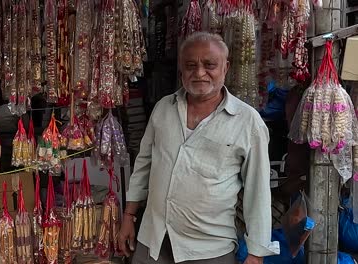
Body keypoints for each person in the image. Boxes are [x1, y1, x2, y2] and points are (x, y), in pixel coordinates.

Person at [118, 32, 280, 264]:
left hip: (209, 249)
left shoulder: (248, 121)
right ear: (181, 70)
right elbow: (144, 165)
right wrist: (129, 216)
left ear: (226, 67)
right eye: (190, 65)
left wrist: (256, 253)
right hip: (152, 240)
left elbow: (258, 191)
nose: (199, 73)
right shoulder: (164, 108)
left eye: (209, 65)